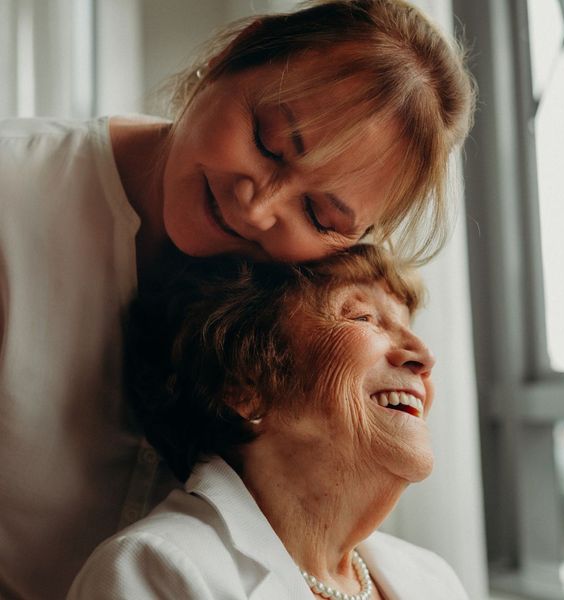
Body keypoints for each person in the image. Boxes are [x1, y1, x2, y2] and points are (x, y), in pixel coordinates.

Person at [0, 1, 474, 598]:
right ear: (231, 55)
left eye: (320, 213)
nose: (258, 208)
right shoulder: (11, 191)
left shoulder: (285, 307)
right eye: (269, 143)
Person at [68, 244, 467, 600]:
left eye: (407, 325)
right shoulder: (154, 572)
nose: (423, 356)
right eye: (364, 318)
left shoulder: (434, 580)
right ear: (244, 383)